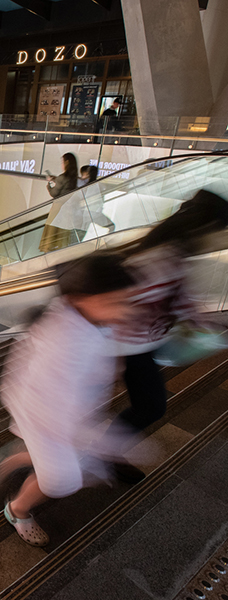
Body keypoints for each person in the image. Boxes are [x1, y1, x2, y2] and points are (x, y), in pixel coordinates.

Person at [0, 252, 139, 547]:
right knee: (62, 480)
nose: (122, 311)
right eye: (113, 303)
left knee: (69, 462)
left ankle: (14, 459)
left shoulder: (83, 316)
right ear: (80, 298)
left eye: (124, 301)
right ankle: (17, 509)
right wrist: (97, 441)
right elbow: (48, 399)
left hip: (58, 414)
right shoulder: (63, 340)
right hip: (42, 414)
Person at [105, 189, 228, 481]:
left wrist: (209, 324)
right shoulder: (161, 260)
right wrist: (116, 358)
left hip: (142, 344)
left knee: (148, 405)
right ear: (205, 228)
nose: (223, 240)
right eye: (223, 232)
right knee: (150, 405)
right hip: (131, 347)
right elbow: (125, 305)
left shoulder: (175, 256)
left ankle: (107, 451)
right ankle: (103, 452)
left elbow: (180, 297)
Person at [38, 154, 80, 252]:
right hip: (67, 208)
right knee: (61, 233)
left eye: (62, 162)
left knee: (51, 232)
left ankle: (48, 251)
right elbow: (64, 183)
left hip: (58, 207)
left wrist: (49, 186)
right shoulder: (74, 178)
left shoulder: (63, 177)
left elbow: (54, 193)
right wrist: (55, 179)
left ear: (66, 162)